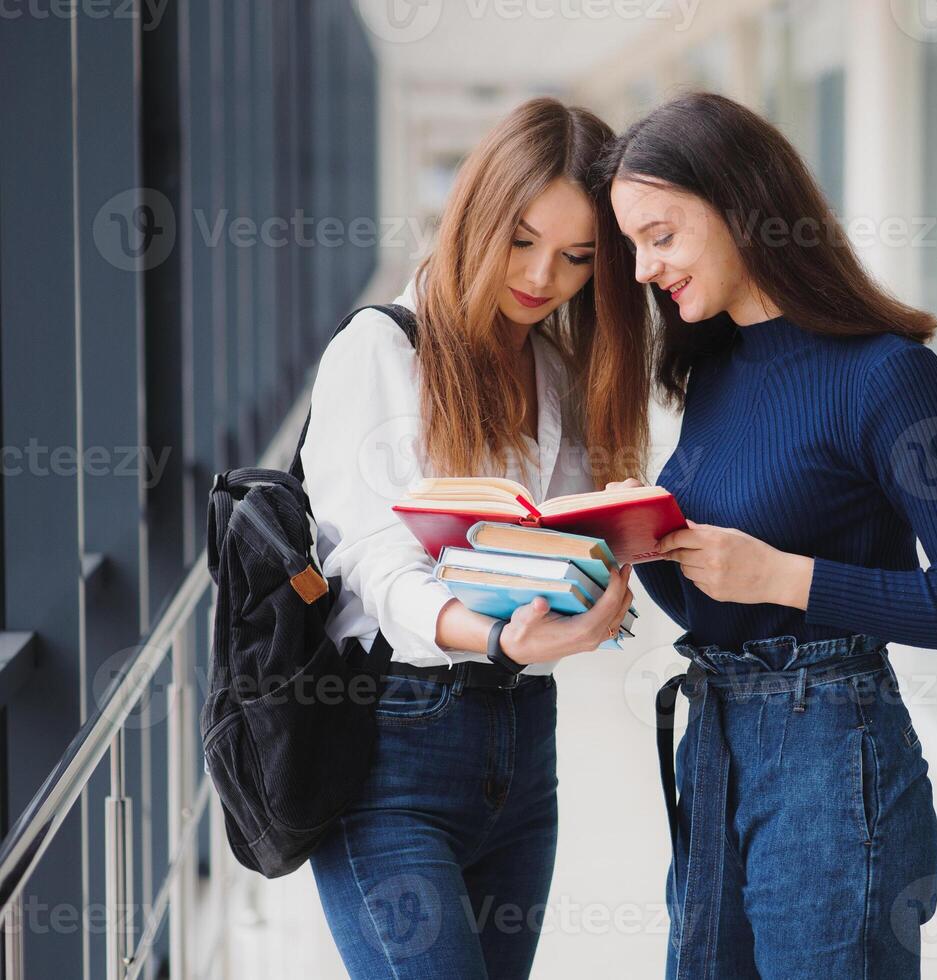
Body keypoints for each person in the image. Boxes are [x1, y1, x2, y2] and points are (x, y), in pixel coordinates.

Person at [591, 92, 937, 979]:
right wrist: (648, 541)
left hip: (831, 753)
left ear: (740, 204)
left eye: (660, 234)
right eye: (633, 244)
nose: (642, 268)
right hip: (715, 741)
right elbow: (725, 596)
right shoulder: (714, 367)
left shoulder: (891, 378)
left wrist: (786, 577)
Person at [301, 97, 642, 979]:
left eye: (576, 259)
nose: (542, 278)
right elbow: (372, 560)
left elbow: (551, 540)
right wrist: (489, 633)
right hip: (392, 749)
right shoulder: (381, 351)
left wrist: (600, 573)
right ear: (477, 213)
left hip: (523, 743)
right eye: (523, 240)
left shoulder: (557, 371)